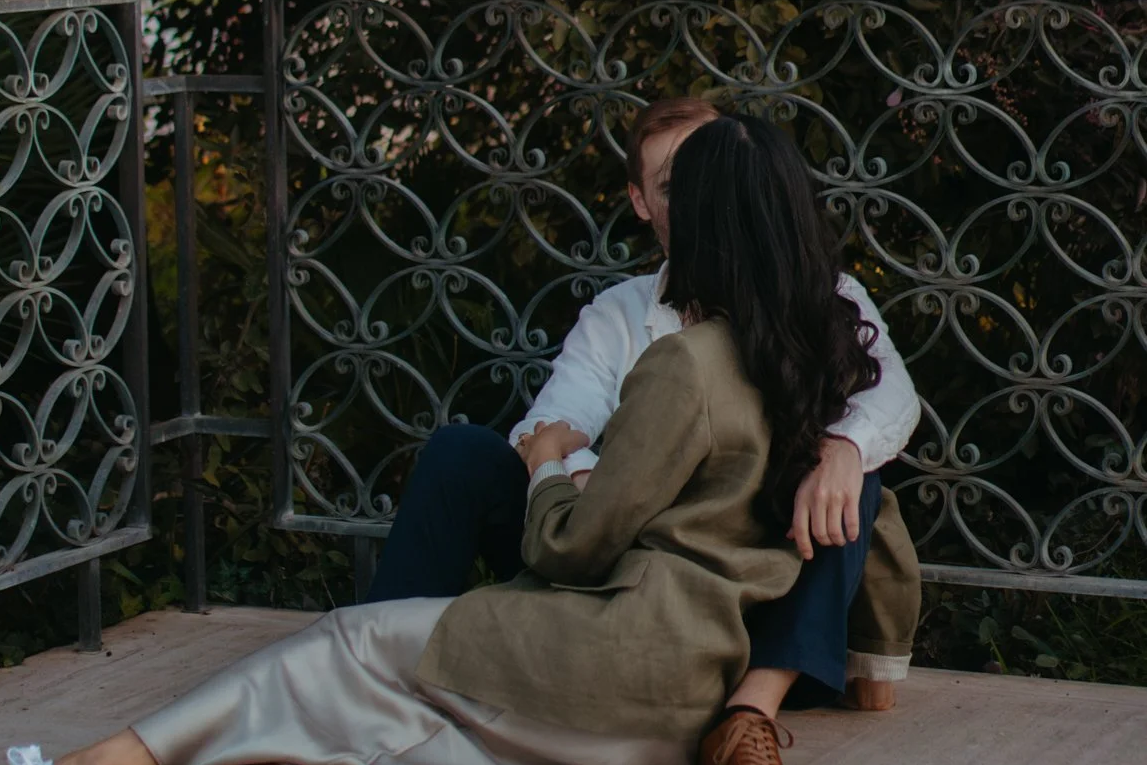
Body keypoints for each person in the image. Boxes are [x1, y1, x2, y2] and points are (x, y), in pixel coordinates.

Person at [0, 113, 917, 765]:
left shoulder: (686, 364)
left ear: (692, 218)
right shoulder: (818, 348)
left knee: (340, 649)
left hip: (623, 660)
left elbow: (567, 546)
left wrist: (553, 466)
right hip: (677, 709)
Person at [370, 96, 923, 731]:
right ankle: (376, 654)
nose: (700, 199)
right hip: (617, 544)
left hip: (742, 578)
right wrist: (599, 483)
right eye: (674, 184)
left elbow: (894, 396)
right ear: (642, 201)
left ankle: (760, 695)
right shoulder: (619, 313)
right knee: (460, 453)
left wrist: (844, 448)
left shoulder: (827, 295)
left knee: (849, 478)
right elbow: (549, 425)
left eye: (710, 176)